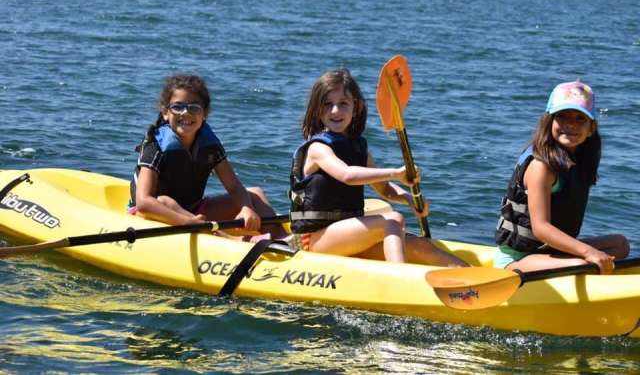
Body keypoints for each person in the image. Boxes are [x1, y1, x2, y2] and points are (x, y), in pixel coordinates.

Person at [289, 68, 467, 266]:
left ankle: (470, 276)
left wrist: (409, 198)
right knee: (393, 220)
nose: (335, 111)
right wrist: (395, 172)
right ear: (317, 109)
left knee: (420, 245)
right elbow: (347, 175)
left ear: (356, 107)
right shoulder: (318, 148)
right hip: (315, 240)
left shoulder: (358, 148)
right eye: (328, 104)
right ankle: (400, 279)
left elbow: (386, 189)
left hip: (348, 238)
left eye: (343, 104)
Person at [129, 74, 286, 242]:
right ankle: (234, 241)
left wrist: (246, 208)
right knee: (165, 201)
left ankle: (283, 240)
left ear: (205, 113)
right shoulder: (155, 146)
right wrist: (187, 222)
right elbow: (144, 202)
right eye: (178, 107)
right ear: (165, 112)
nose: (186, 113)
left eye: (194, 108)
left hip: (195, 211)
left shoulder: (209, 145)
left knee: (254, 194)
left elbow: (233, 186)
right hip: (154, 214)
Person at [494, 80, 629, 273]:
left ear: (591, 128)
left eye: (580, 118)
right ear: (549, 121)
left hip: (549, 251)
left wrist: (589, 252)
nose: (570, 125)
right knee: (585, 265)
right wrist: (588, 252)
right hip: (519, 258)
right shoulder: (541, 166)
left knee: (620, 245)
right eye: (562, 117)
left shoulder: (578, 161)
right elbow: (541, 229)